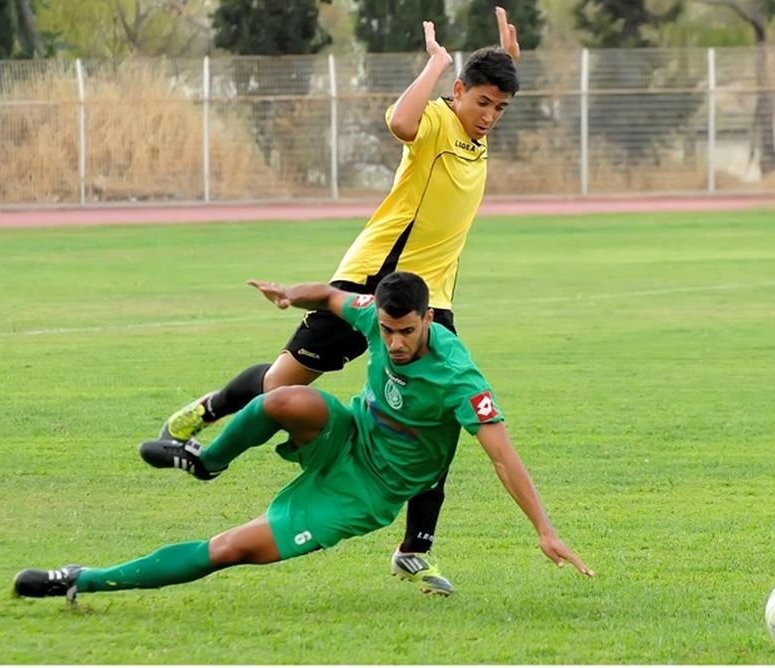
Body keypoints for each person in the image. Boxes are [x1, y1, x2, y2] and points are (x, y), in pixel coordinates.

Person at [156, 8, 522, 595]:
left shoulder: (475, 124)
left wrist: (504, 63)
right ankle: (208, 410)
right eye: (482, 103)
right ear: (457, 93)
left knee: (438, 419)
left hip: (431, 299)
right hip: (372, 283)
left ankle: (414, 549)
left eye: (500, 108)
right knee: (280, 386)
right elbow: (401, 122)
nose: (490, 117)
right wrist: (436, 63)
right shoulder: (435, 123)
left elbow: (489, 86)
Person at [13, 273, 593, 604]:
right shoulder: (376, 317)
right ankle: (207, 460)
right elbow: (335, 297)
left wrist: (545, 530)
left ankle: (82, 579)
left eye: (405, 332)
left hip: (367, 492)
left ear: (428, 321)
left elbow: (503, 456)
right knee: (283, 398)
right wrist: (294, 294)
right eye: (386, 330)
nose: (392, 342)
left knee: (230, 550)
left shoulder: (460, 378)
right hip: (351, 432)